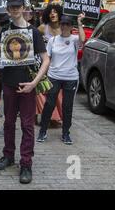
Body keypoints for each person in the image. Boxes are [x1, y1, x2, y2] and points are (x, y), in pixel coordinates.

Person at [0, 0, 50, 184]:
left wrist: (34, 83)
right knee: (8, 123)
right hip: (9, 84)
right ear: (8, 9)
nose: (15, 9)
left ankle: (26, 163)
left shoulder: (34, 32)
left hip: (28, 86)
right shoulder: (4, 31)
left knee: (27, 125)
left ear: (23, 7)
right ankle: (8, 155)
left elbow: (46, 59)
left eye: (18, 6)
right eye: (12, 7)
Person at [37, 13, 85, 145]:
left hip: (70, 77)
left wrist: (80, 22)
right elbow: (47, 59)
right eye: (62, 24)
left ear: (71, 27)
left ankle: (66, 133)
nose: (64, 26)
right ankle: (43, 131)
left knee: (67, 107)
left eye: (67, 24)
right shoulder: (53, 40)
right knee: (49, 104)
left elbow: (83, 39)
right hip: (54, 76)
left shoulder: (75, 39)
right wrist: (43, 76)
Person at [37, 3, 64, 127]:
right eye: (50, 12)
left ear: (59, 13)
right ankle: (47, 116)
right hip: (45, 64)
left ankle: (57, 117)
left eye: (55, 11)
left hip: (60, 65)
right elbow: (33, 41)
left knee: (58, 92)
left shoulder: (64, 28)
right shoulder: (43, 28)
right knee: (43, 90)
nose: (53, 14)